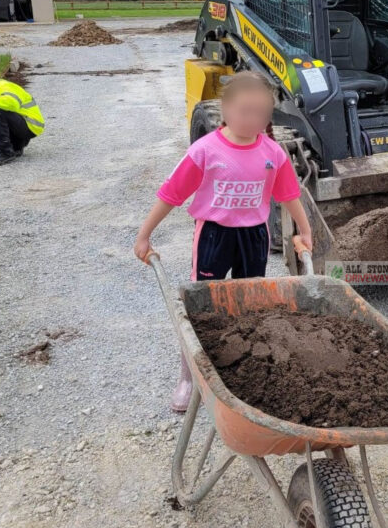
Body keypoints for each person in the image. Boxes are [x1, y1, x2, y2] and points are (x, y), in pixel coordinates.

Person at [133, 71, 312, 412]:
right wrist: (145, 235)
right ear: (226, 110)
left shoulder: (272, 152)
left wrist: (304, 230)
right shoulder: (205, 150)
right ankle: (189, 377)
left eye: (260, 114)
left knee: (249, 303)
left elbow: (289, 194)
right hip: (214, 234)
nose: (252, 120)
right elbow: (172, 194)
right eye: (245, 112)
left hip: (254, 236)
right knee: (203, 306)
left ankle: (246, 370)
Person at [0, 69, 45, 167]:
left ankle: (6, 153)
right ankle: (15, 147)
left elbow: (12, 103)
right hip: (17, 126)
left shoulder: (1, 85)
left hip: (30, 125)